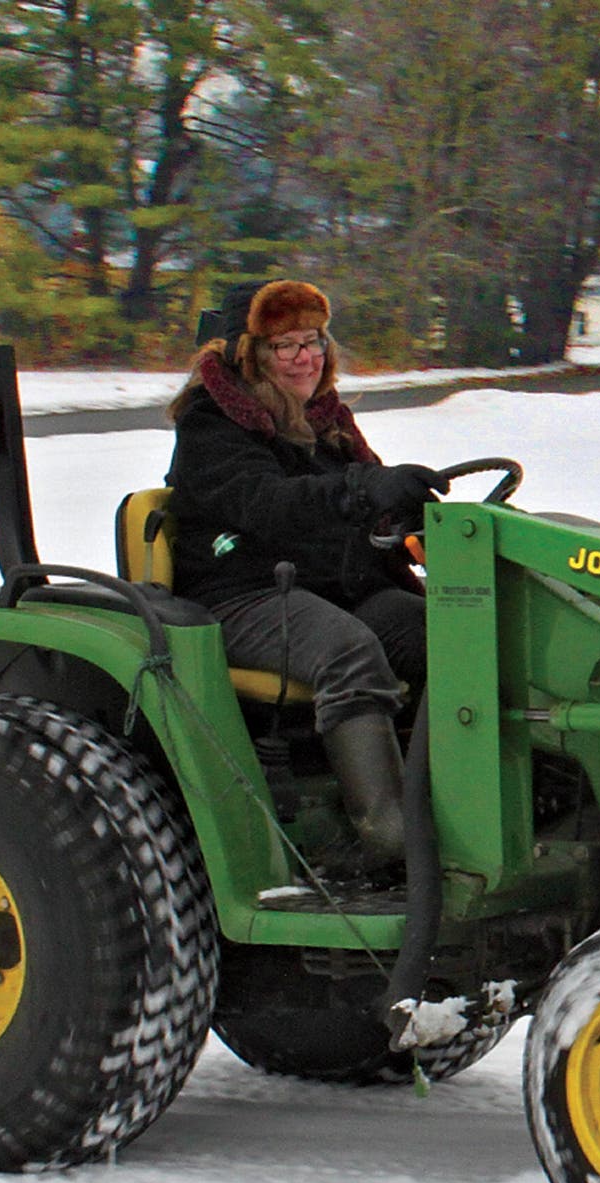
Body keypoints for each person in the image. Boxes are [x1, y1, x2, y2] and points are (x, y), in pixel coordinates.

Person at [164, 279, 448, 876]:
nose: (304, 357)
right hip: (241, 594)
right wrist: (361, 489)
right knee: (348, 651)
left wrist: (412, 516)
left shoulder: (327, 423)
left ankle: (457, 801)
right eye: (284, 345)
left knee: (450, 637)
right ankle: (389, 833)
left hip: (329, 587)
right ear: (249, 355)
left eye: (313, 341)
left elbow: (364, 501)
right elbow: (271, 504)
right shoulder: (212, 425)